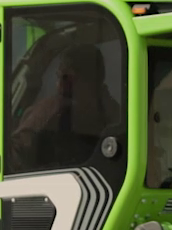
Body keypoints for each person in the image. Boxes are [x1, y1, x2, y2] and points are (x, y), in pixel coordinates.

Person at [11, 35, 116, 171]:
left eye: (65, 76)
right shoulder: (118, 113)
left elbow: (14, 153)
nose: (59, 84)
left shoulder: (50, 110)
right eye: (59, 76)